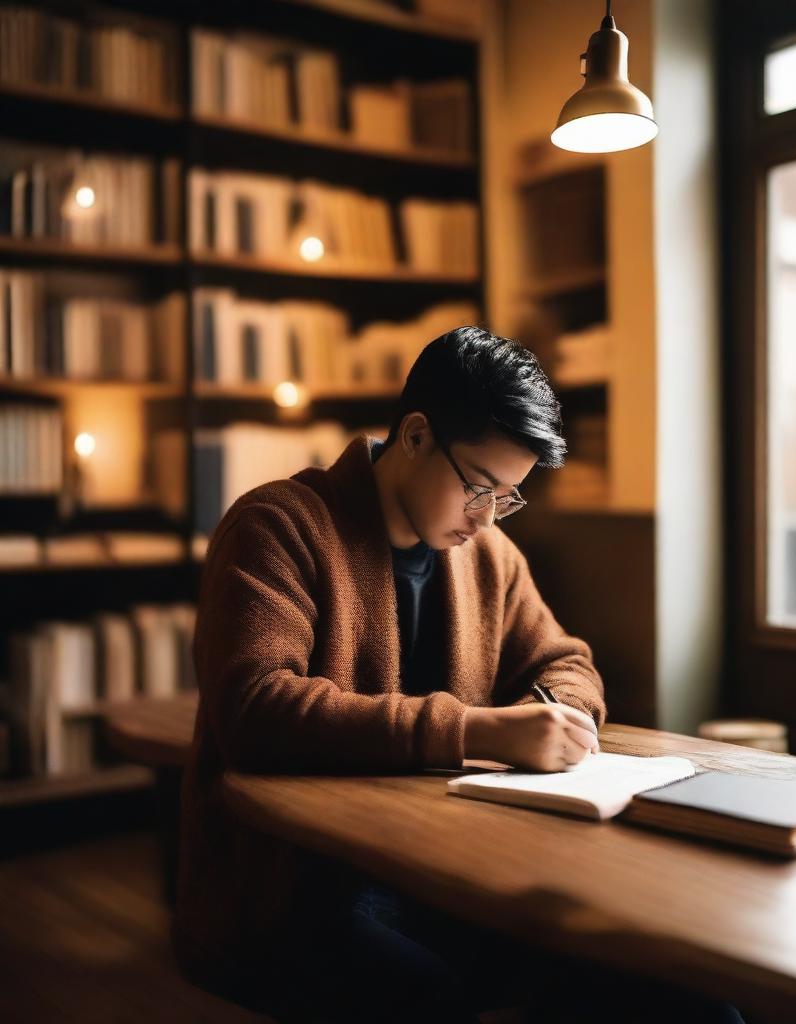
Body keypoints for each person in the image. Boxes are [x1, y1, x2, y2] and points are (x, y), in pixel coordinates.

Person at [174, 326, 743, 1023]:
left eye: (508, 497)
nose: (486, 518)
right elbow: (253, 710)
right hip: (295, 883)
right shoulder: (277, 526)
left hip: (449, 867)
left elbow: (567, 661)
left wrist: (559, 712)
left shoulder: (490, 558)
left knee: (685, 995)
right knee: (431, 996)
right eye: (478, 487)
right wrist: (481, 731)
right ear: (415, 434)